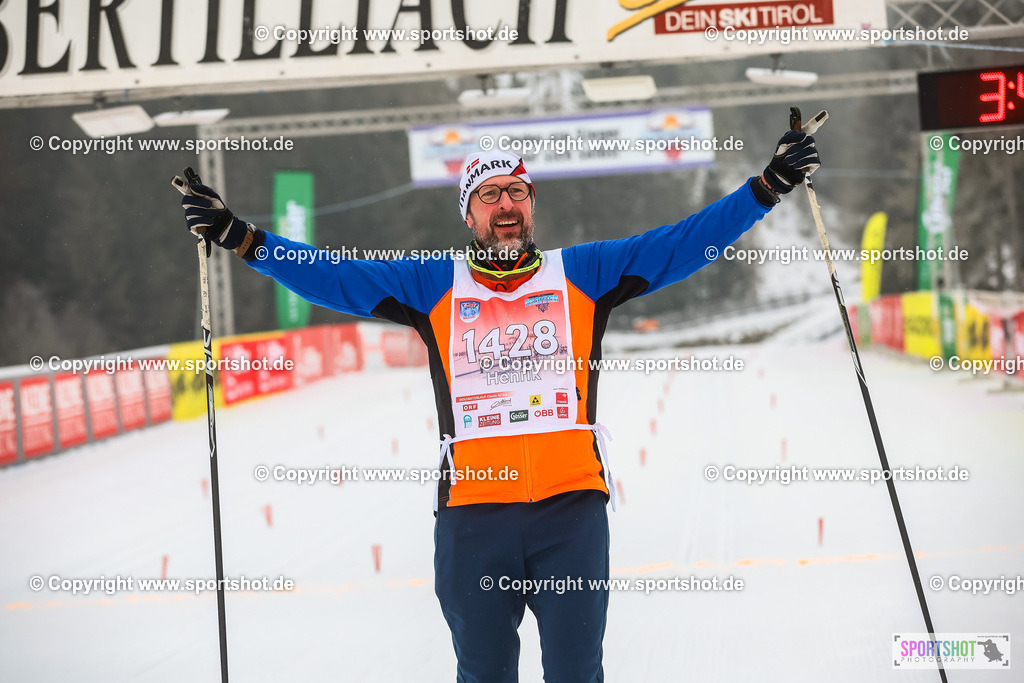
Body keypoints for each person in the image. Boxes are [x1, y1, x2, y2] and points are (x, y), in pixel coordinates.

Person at [179, 129, 819, 682]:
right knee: (483, 674)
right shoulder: (432, 283)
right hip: (473, 518)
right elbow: (333, 274)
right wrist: (242, 238)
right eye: (489, 195)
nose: (505, 205)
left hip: (569, 515)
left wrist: (767, 187)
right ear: (470, 214)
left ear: (532, 205)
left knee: (576, 673)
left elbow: (682, 243)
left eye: (517, 192)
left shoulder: (583, 274)